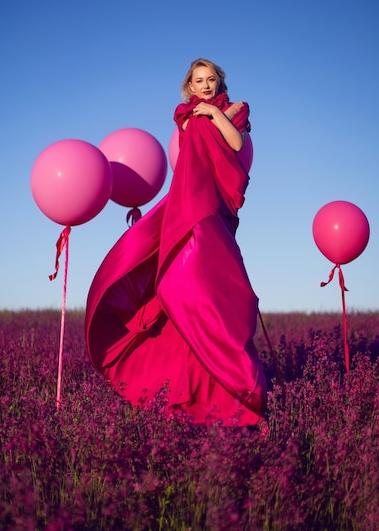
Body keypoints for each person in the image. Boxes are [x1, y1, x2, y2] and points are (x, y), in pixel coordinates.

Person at [85, 58, 267, 426]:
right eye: (198, 81)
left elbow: (234, 144)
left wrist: (214, 116)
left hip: (215, 208)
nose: (205, 85)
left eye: (211, 79)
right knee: (178, 289)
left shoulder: (235, 110)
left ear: (220, 82)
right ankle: (198, 388)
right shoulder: (185, 118)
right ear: (190, 85)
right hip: (189, 205)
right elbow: (191, 166)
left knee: (227, 296)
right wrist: (198, 116)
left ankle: (240, 389)